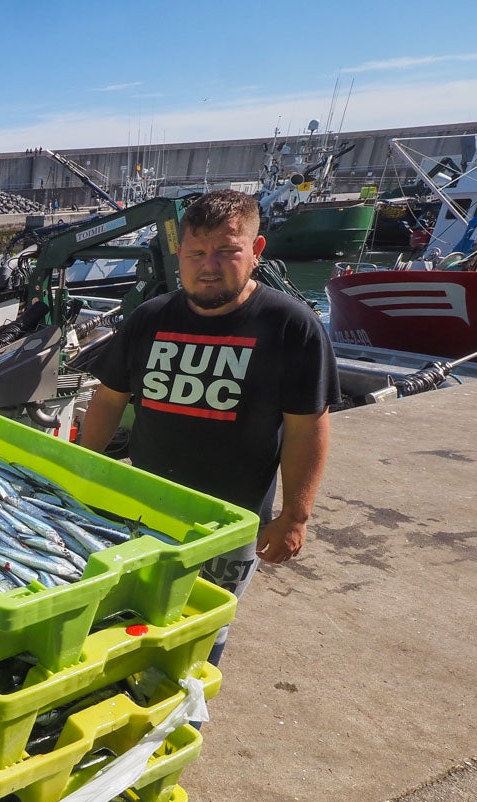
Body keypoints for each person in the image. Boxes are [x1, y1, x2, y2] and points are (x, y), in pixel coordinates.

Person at [77, 189, 340, 665]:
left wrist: (295, 516)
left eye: (226, 251)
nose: (209, 265)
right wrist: (79, 470)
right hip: (140, 511)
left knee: (199, 638)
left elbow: (307, 429)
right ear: (180, 255)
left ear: (256, 252)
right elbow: (109, 399)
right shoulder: (150, 317)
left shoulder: (291, 326)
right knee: (125, 623)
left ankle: (183, 721)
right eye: (196, 253)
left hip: (228, 526)